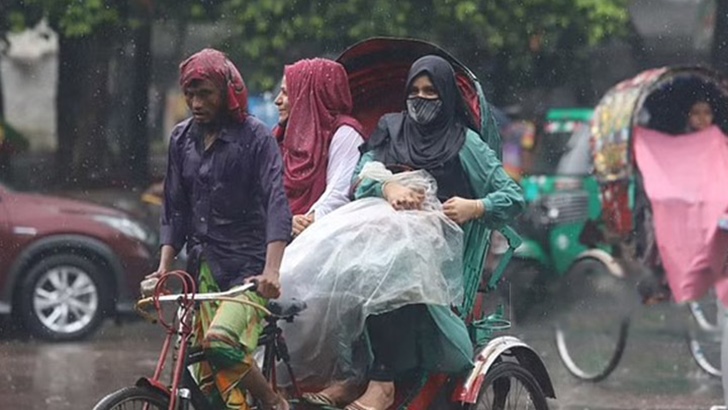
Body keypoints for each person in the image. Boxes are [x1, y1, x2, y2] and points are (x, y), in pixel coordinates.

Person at [293, 55, 524, 410]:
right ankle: (347, 373)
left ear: (446, 95)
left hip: (432, 246)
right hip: (378, 229)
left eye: (430, 92)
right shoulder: (391, 127)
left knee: (389, 269)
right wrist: (387, 187)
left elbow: (512, 196)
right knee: (332, 265)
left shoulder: (465, 144)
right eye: (414, 91)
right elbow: (364, 172)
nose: (421, 99)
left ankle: (382, 383)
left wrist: (474, 207)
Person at [150, 48, 292, 410]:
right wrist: (164, 267)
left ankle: (274, 402)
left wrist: (271, 270)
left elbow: (278, 203)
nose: (195, 103)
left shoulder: (256, 139)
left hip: (247, 273)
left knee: (220, 343)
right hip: (201, 272)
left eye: (205, 94)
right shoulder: (181, 139)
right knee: (208, 386)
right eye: (190, 94)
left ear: (228, 93)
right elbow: (174, 208)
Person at [273, 58, 365, 237]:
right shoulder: (279, 136)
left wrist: (306, 222)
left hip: (324, 237)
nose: (277, 101)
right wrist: (283, 221)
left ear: (307, 95)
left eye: (286, 93)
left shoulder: (344, 133)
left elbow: (339, 192)